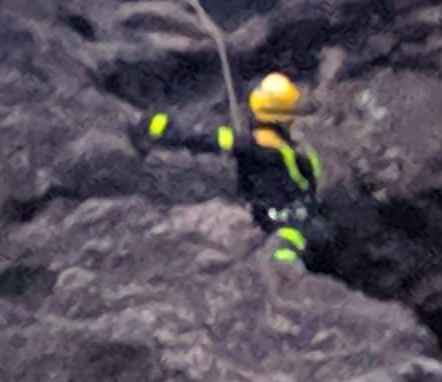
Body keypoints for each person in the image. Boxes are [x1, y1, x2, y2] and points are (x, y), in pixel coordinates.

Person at [136, 72, 329, 268]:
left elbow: (201, 139)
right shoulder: (298, 154)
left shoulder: (248, 145)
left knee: (281, 260)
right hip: (305, 224)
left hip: (280, 229)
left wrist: (161, 127)